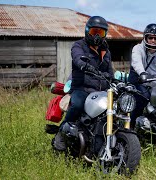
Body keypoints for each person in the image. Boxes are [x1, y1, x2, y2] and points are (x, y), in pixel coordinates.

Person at [53, 16, 113, 151]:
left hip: (101, 91)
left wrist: (114, 80)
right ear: (87, 31)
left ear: (105, 34)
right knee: (77, 104)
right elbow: (78, 58)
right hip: (82, 88)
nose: (97, 36)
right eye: (94, 32)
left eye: (101, 33)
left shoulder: (106, 51)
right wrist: (84, 65)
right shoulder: (78, 45)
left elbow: (110, 71)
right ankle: (61, 134)